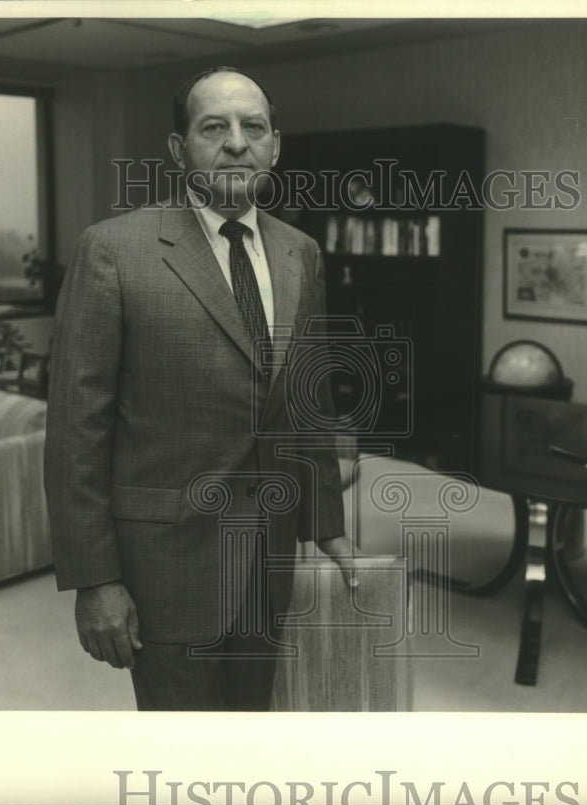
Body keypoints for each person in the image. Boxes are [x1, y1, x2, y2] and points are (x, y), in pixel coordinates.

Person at [44, 66, 357, 711]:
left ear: (276, 145)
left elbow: (308, 402)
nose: (237, 143)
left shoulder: (301, 252)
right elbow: (77, 431)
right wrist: (95, 579)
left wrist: (329, 527)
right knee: (182, 753)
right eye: (214, 126)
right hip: (167, 565)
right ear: (178, 147)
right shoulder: (113, 250)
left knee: (247, 736)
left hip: (267, 558)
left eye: (254, 127)